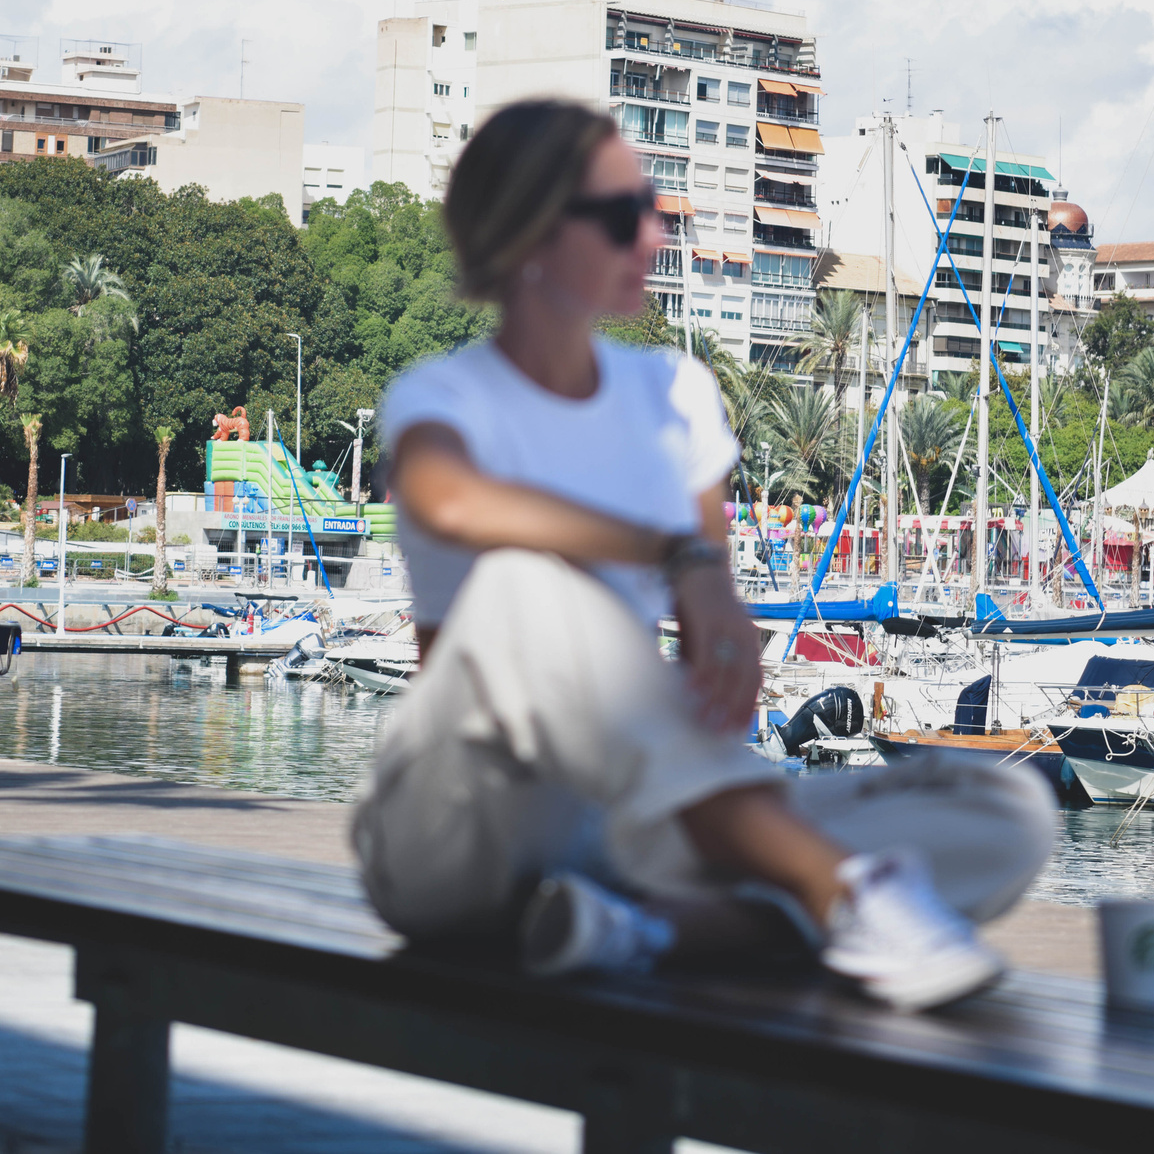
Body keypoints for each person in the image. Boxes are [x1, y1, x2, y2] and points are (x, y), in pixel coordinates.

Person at [352, 99, 1053, 1011]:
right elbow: (453, 498)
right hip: (464, 825)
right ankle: (843, 891)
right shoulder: (444, 397)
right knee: (524, 578)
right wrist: (670, 551)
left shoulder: (672, 391)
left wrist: (707, 592)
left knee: (1007, 814)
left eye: (652, 205)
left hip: (624, 828)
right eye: (618, 216)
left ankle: (639, 928)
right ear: (527, 234)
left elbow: (709, 598)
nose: (651, 232)